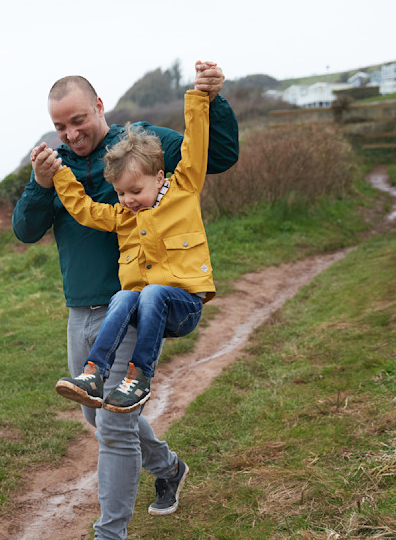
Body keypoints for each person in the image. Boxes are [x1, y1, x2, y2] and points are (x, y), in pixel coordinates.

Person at [12, 62, 238, 539]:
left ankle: (109, 533)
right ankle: (168, 466)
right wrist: (41, 182)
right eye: (60, 126)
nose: (71, 133)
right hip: (82, 312)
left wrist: (209, 98)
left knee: (114, 429)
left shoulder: (144, 142)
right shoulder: (57, 167)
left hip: (134, 301)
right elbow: (26, 229)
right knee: (97, 415)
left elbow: (213, 155)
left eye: (78, 120)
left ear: (98, 106)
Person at [51, 88, 215, 415]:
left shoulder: (183, 191)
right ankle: (93, 374)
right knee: (123, 296)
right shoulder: (124, 217)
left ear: (159, 177)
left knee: (151, 291)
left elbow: (195, 147)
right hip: (145, 309)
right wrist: (59, 173)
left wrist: (200, 97)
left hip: (183, 305)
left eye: (136, 191)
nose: (127, 200)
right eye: (121, 192)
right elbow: (84, 209)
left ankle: (139, 378)